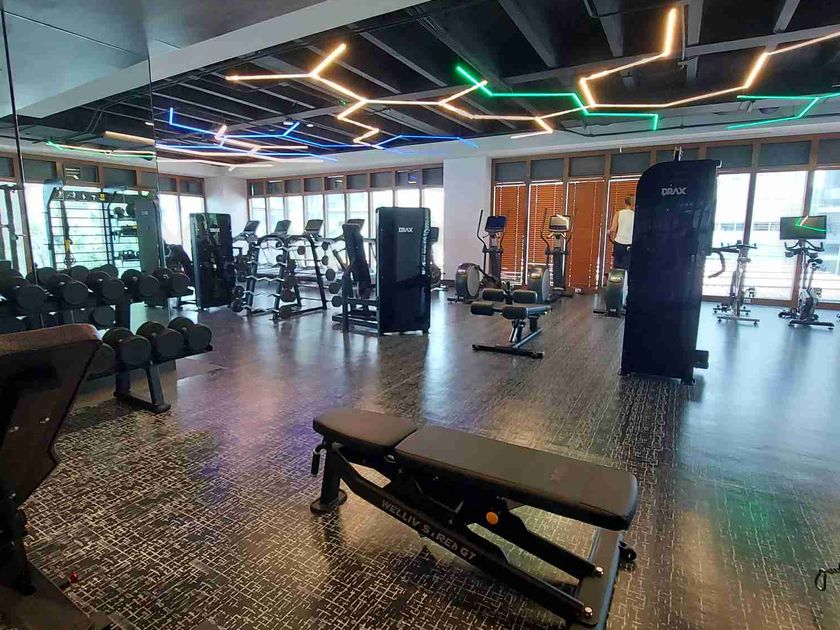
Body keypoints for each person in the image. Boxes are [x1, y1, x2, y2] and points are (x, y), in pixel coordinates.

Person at [609, 195, 635, 270]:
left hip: (619, 243)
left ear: (625, 202)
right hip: (629, 244)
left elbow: (613, 229)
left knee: (617, 267)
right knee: (627, 267)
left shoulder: (618, 213)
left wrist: (608, 231)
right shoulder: (635, 215)